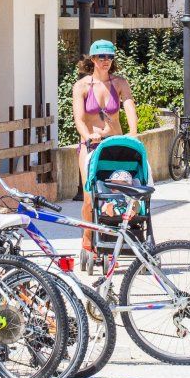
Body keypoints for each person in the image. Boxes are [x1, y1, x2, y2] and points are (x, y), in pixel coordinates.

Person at [71, 40, 138, 255]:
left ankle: (110, 240)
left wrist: (133, 132)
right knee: (90, 197)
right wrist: (87, 135)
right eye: (101, 57)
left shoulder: (119, 83)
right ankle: (88, 238)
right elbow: (79, 118)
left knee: (118, 193)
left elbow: (129, 106)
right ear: (92, 59)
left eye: (110, 57)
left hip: (114, 144)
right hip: (90, 146)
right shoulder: (82, 86)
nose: (106, 61)